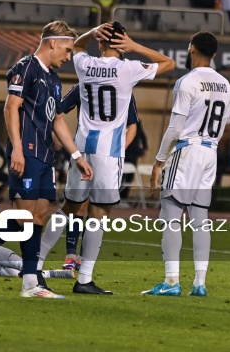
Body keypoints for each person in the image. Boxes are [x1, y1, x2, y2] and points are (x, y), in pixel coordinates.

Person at [36, 21, 175, 295]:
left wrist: (90, 33)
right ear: (121, 43)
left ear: (100, 42)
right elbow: (169, 63)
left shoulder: (84, 65)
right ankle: (84, 279)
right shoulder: (129, 69)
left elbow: (76, 46)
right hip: (108, 152)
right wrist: (134, 46)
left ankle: (35, 265)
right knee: (99, 215)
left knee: (69, 209)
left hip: (81, 148)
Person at [0, 21, 93, 299]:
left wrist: (76, 156)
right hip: (28, 152)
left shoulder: (55, 80)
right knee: (24, 217)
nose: (69, 57)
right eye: (68, 49)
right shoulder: (26, 67)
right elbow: (11, 107)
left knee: (38, 216)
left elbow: (57, 119)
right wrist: (18, 149)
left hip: (46, 156)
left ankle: (30, 283)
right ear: (53, 43)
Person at [143, 31, 230, 297]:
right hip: (210, 153)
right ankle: (200, 283)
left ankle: (171, 282)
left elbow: (175, 128)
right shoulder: (225, 85)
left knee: (170, 216)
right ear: (214, 54)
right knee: (200, 219)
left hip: (187, 151)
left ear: (191, 48)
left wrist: (159, 161)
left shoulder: (187, 81)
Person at [56, 83, 141, 270]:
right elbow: (57, 111)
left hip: (94, 154)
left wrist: (118, 150)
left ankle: (82, 261)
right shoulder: (91, 85)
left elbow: (132, 126)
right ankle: (71, 257)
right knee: (77, 206)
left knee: (94, 210)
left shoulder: (119, 87)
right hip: (85, 154)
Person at [121, 119, 148, 200]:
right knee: (121, 176)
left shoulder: (137, 122)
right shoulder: (121, 120)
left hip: (133, 153)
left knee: (130, 176)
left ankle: (124, 197)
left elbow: (143, 136)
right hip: (123, 151)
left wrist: (145, 148)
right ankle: (117, 196)